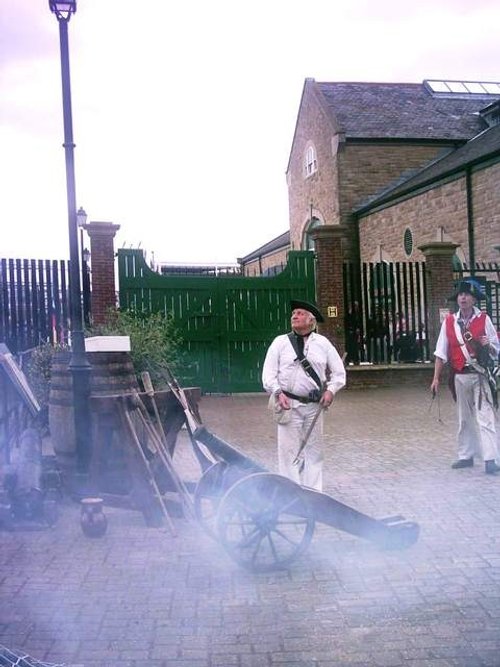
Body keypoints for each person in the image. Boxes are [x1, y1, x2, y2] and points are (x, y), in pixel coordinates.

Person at [262, 299, 346, 491]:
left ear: (311, 320)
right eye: (293, 314)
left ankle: (313, 493)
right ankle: (291, 493)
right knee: (288, 453)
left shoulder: (323, 343)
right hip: (288, 404)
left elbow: (339, 373)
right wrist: (277, 392)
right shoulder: (280, 342)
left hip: (314, 406)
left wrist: (331, 391)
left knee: (314, 452)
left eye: (299, 313)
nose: (294, 316)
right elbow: (268, 374)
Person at [430, 280, 500, 474]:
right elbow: (440, 352)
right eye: (460, 294)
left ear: (474, 298)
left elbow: (496, 350)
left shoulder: (484, 319)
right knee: (464, 418)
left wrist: (489, 345)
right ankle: (466, 455)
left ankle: (490, 458)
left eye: (467, 294)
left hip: (480, 376)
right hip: (460, 376)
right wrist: (436, 378)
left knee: (485, 417)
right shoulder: (450, 322)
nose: (463, 297)